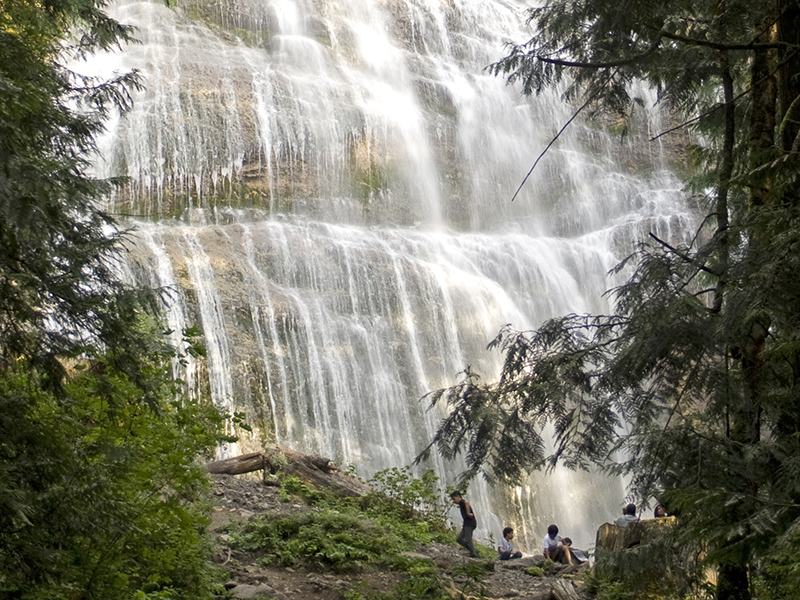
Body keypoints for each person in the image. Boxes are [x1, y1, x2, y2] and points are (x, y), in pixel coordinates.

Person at [450, 491, 478, 558]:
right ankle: (473, 550)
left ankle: (474, 554)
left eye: (454, 499)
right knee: (459, 539)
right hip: (466, 524)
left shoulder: (462, 502)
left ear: (458, 497)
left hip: (470, 524)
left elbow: (467, 503)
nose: (454, 501)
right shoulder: (461, 503)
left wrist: (468, 513)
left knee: (468, 540)